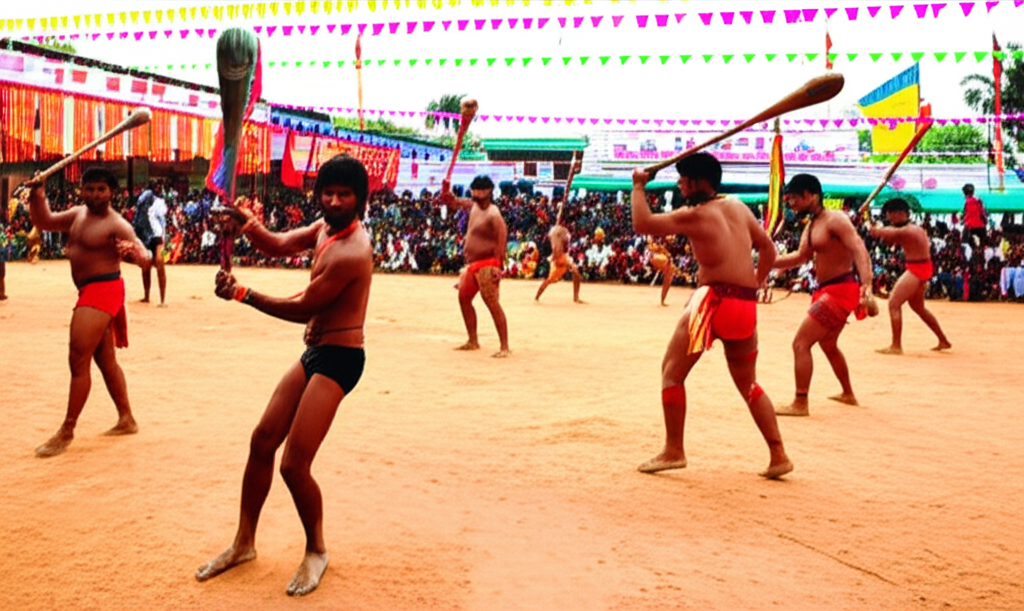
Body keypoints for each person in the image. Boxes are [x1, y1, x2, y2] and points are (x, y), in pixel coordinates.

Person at [195, 155, 373, 597]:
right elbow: (277, 245)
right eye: (327, 193)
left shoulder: (353, 250)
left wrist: (242, 293)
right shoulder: (324, 228)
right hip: (316, 352)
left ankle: (317, 550)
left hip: (340, 359)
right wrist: (247, 223)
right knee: (261, 440)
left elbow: (303, 308)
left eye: (343, 194)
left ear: (360, 200)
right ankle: (244, 543)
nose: (333, 201)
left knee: (294, 465)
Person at [630, 153, 792, 479]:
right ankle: (779, 455)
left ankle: (674, 450)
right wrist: (756, 283)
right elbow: (768, 249)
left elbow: (642, 223)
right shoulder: (738, 206)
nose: (678, 184)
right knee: (749, 384)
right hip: (744, 305)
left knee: (672, 374)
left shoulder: (695, 215)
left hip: (712, 301)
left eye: (682, 179)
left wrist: (637, 186)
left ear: (698, 182)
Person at [26, 167, 152, 457]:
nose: (94, 194)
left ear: (112, 193)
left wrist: (133, 255)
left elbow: (143, 257)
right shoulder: (77, 215)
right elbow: (44, 221)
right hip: (89, 291)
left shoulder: (117, 224)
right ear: (81, 190)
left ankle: (67, 430)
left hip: (103, 290)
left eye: (101, 189)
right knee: (106, 361)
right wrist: (38, 193)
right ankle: (127, 418)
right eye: (89, 188)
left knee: (78, 358)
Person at [772, 174, 874, 417]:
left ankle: (800, 402)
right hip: (825, 290)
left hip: (840, 291)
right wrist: (764, 264)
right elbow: (798, 257)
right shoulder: (812, 225)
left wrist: (867, 284)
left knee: (800, 343)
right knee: (828, 344)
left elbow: (859, 248)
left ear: (811, 195)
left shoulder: (836, 220)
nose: (791, 203)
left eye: (795, 198)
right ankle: (848, 393)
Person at [439, 175, 510, 357]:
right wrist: (446, 191)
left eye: (479, 190)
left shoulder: (493, 214)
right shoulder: (474, 207)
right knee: (464, 298)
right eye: (474, 190)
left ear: (488, 191)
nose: (476, 193)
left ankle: (504, 347)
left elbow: (502, 239)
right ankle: (473, 340)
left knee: (492, 303)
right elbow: (453, 202)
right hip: (473, 263)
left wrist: (498, 267)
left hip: (488, 263)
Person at [869, 198, 952, 354]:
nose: (889, 219)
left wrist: (873, 229)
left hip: (917, 269)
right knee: (918, 308)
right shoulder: (914, 229)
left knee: (894, 303)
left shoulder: (910, 230)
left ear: (900, 213)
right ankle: (943, 340)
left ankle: (896, 345)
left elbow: (888, 233)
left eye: (890, 215)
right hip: (919, 267)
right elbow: (889, 237)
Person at [135, 182, 168, 306]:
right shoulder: (142, 204)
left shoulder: (158, 202)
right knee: (146, 265)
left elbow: (163, 221)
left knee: (159, 263)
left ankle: (162, 299)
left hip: (158, 236)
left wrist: (164, 238)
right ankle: (147, 295)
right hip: (146, 236)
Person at [535, 222, 584, 303]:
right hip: (557, 257)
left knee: (576, 273)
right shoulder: (556, 233)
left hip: (564, 256)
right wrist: (554, 258)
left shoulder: (561, 232)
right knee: (550, 280)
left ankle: (576, 297)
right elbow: (555, 247)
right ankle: (537, 297)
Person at [647, 236, 679, 306]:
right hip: (654, 256)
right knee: (666, 261)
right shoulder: (653, 235)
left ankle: (663, 300)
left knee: (669, 276)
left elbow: (671, 241)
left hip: (664, 257)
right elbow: (652, 246)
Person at [961, 183, 987, 248]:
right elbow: (983, 213)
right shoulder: (978, 201)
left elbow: (965, 216)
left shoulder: (967, 202)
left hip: (970, 228)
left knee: (964, 245)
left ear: (964, 193)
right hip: (980, 227)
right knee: (983, 245)